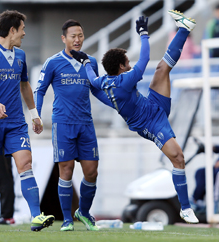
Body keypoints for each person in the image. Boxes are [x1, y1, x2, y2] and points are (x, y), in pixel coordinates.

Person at [71, 11, 199, 223]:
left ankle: (184, 27)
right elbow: (145, 57)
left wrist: (85, 62)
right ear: (121, 68)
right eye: (127, 62)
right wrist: (143, 33)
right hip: (150, 123)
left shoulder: (104, 82)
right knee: (178, 157)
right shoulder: (124, 81)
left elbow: (93, 82)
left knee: (161, 69)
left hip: (152, 105)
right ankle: (185, 207)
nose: (130, 64)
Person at [0, 10, 54, 232]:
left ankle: (36, 216)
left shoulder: (20, 56)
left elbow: (25, 86)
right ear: (12, 30)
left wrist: (34, 114)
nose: (24, 33)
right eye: (22, 29)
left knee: (25, 164)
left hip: (15, 122)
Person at [35, 19, 114, 231]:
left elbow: (96, 89)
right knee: (66, 171)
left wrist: (116, 105)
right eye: (73, 36)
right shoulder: (53, 63)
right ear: (64, 38)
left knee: (91, 171)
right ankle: (68, 219)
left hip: (85, 124)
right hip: (63, 124)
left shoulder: (90, 61)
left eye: (80, 35)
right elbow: (40, 89)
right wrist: (36, 115)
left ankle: (84, 212)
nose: (77, 39)